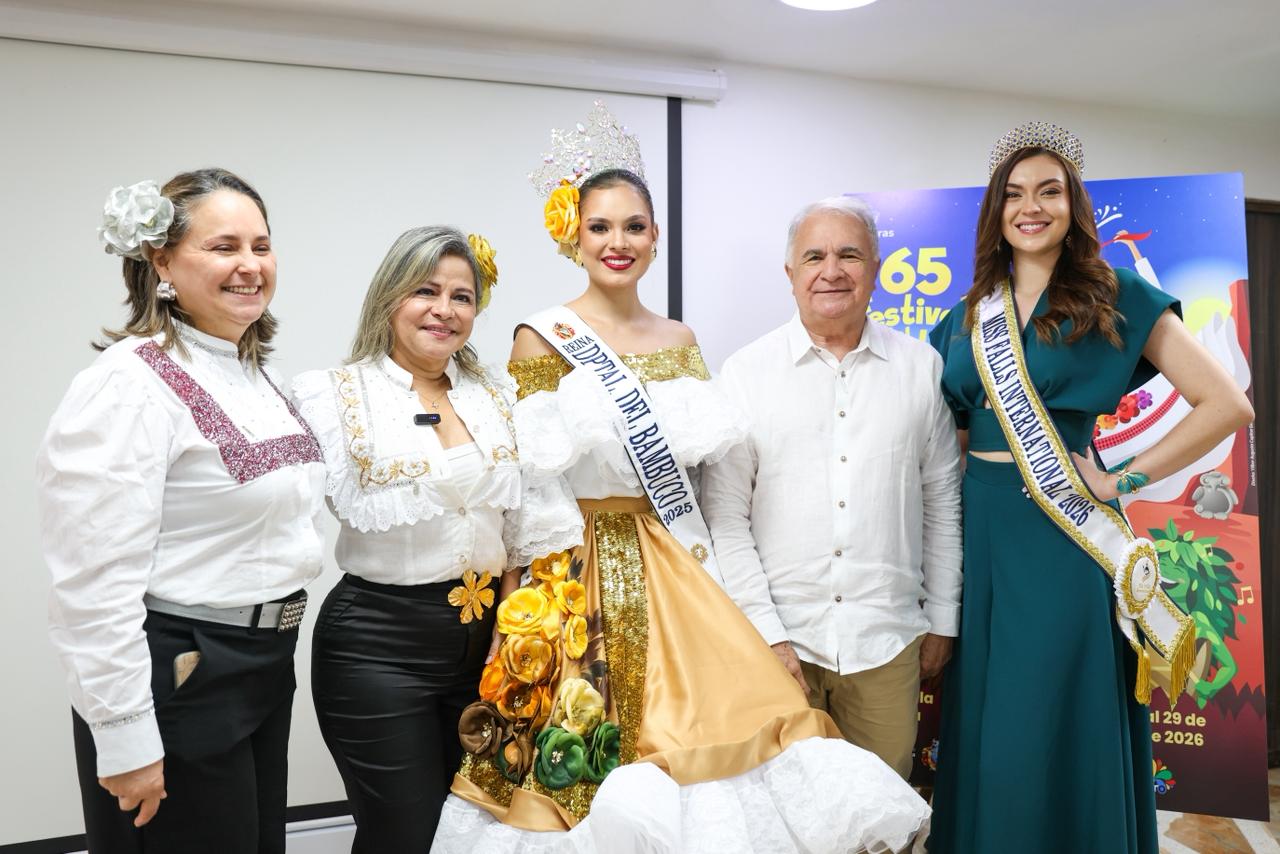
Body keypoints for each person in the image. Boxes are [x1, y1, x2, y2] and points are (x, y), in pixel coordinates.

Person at [432, 101, 930, 854]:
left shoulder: (682, 339)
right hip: (579, 571)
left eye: (634, 226)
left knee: (734, 740)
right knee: (590, 761)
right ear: (574, 235)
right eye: (600, 227)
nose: (618, 242)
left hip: (678, 564)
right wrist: (522, 603)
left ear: (655, 236)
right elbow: (533, 481)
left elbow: (701, 480)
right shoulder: (542, 333)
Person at [925, 122, 1254, 853]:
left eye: (1049, 191)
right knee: (990, 713)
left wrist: (1123, 476)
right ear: (995, 211)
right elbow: (946, 430)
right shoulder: (969, 312)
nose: (1030, 207)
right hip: (983, 534)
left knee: (1049, 708)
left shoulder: (1116, 295)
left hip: (1063, 534)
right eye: (1013, 194)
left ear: (1073, 204)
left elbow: (1228, 404)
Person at [37, 169, 325, 853]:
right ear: (161, 261)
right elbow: (91, 580)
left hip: (263, 663)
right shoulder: (128, 385)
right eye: (224, 247)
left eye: (262, 245)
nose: (250, 266)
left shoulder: (259, 375)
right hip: (181, 672)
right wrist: (125, 735)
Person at [701, 195, 962, 780]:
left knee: (881, 821)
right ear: (790, 274)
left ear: (875, 268)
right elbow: (725, 518)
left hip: (887, 644)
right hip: (776, 644)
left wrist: (944, 618)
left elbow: (943, 504)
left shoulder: (921, 369)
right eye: (814, 256)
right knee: (782, 819)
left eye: (850, 254)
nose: (832, 270)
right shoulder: (745, 375)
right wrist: (765, 635)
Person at [290, 226, 524, 851]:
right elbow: (285, 514)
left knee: (472, 829)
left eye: (462, 296)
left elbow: (519, 529)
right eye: (426, 290)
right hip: (376, 646)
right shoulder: (335, 396)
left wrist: (511, 630)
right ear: (390, 297)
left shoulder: (499, 396)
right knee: (407, 836)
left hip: (489, 646)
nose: (444, 310)